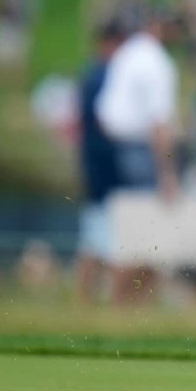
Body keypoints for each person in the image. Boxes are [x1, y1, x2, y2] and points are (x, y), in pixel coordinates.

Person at [94, 5, 182, 303]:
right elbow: (159, 124)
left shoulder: (130, 51)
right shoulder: (156, 61)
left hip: (115, 149)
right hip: (139, 151)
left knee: (134, 232)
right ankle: (125, 303)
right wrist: (168, 173)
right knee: (144, 236)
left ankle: (130, 305)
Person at [74, 21, 126, 304]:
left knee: (98, 241)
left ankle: (86, 301)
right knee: (97, 242)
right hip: (103, 172)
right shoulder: (101, 76)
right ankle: (85, 301)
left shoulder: (94, 74)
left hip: (97, 169)